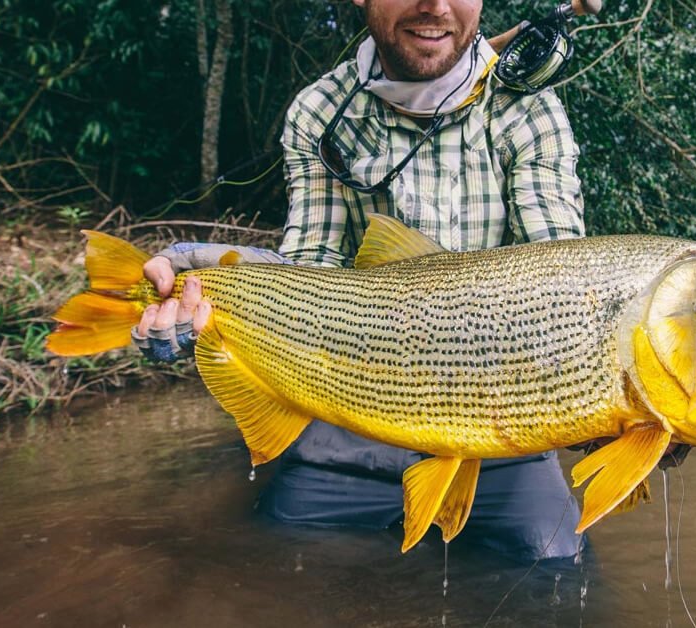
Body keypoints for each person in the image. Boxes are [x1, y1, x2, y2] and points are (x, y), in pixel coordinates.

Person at [132, 0, 586, 561]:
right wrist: (206, 274)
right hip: (347, 429)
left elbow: (562, 285)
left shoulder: (530, 112)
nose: (435, 6)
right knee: (268, 573)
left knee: (556, 579)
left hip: (502, 435)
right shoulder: (321, 109)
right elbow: (310, 276)